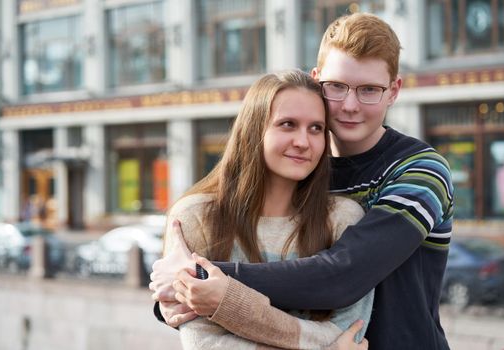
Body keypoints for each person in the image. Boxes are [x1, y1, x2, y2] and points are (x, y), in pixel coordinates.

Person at [151, 12, 454, 350]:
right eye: (337, 87)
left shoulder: (421, 171)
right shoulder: (301, 168)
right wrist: (182, 294)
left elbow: (343, 275)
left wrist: (198, 276)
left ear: (394, 91)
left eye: (369, 89)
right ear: (317, 80)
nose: (350, 105)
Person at [152, 69, 372, 349]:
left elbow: (349, 332)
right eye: (288, 124)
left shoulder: (342, 218)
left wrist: (227, 303)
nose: (303, 142)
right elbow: (204, 344)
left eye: (316, 128)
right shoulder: (196, 217)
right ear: (254, 129)